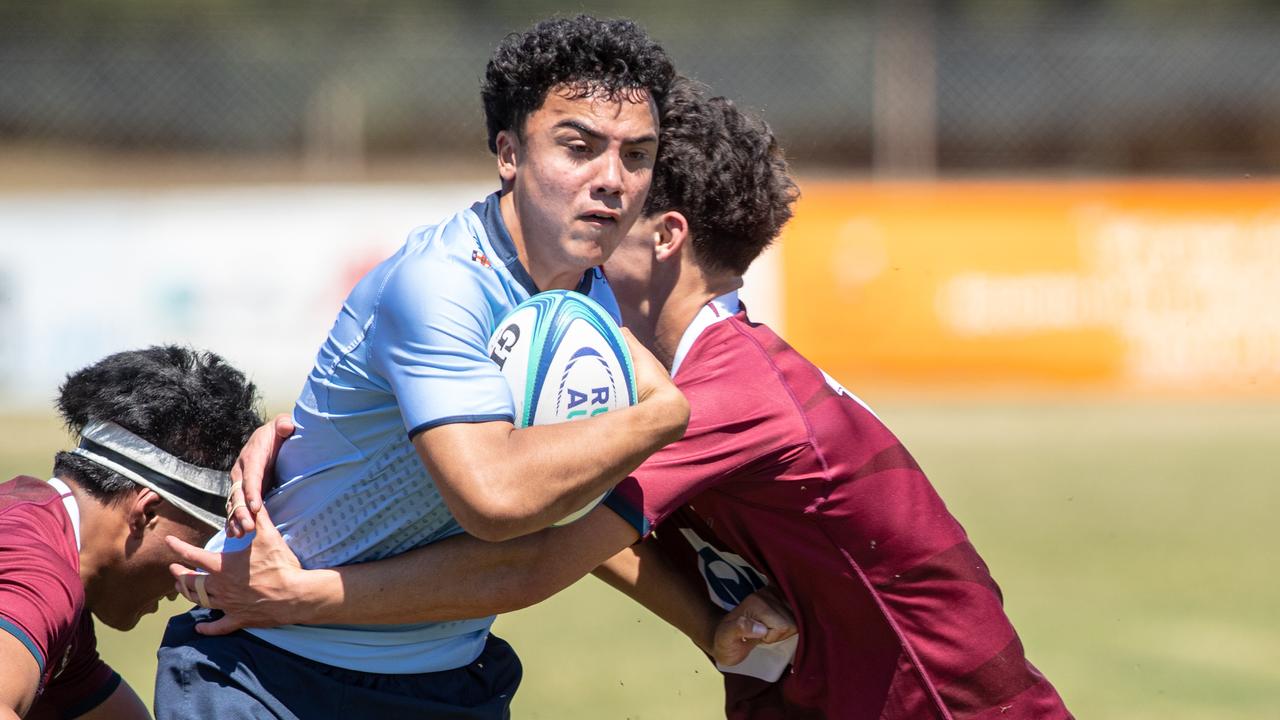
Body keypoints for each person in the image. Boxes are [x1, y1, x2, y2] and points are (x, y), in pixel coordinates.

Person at [176, 81, 1072, 718]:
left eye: (624, 192)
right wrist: (296, 435)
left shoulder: (720, 392)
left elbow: (523, 557)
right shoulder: (629, 366)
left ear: (665, 234)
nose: (594, 207)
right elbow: (534, 477)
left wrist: (299, 595)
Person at [151, 16, 781, 720]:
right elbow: (501, 502)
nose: (612, 180)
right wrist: (666, 413)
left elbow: (572, 506)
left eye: (637, 155)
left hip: (449, 681)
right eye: (579, 147)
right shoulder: (442, 284)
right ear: (509, 153)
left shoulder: (584, 292)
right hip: (273, 671)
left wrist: (705, 623)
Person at [0, 346, 261, 720]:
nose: (190, 582)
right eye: (200, 545)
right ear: (146, 511)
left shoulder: (42, 541)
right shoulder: (37, 575)